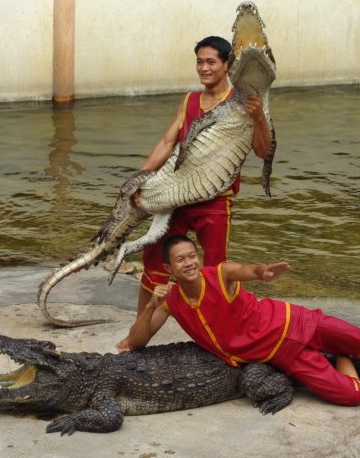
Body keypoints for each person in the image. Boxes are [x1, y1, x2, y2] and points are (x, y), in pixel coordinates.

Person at [122, 235, 360, 407]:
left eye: (192, 255)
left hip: (296, 323)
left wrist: (264, 272)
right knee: (352, 396)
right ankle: (340, 357)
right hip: (282, 357)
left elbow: (249, 271)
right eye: (180, 260)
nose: (189, 263)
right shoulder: (172, 303)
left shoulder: (220, 274)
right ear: (168, 268)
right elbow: (136, 343)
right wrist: (151, 306)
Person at [116, 36, 273, 350]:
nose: (204, 68)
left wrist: (258, 117)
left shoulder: (244, 101)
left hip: (216, 200)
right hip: (177, 197)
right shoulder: (189, 101)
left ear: (227, 65)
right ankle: (138, 333)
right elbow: (166, 143)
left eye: (211, 61)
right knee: (153, 259)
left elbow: (262, 151)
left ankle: (218, 335)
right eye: (200, 61)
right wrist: (140, 179)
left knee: (214, 270)